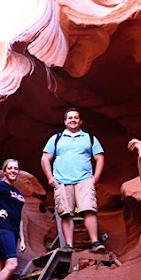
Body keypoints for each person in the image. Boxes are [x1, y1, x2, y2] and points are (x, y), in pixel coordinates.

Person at [41, 107, 105, 252]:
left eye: (76, 117)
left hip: (84, 180)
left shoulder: (89, 138)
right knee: (66, 213)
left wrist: (95, 178)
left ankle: (95, 242)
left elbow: (99, 158)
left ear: (80, 121)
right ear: (65, 121)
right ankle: (69, 245)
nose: (73, 120)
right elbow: (45, 158)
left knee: (89, 209)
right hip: (62, 181)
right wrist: (50, 178)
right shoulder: (56, 139)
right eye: (70, 118)